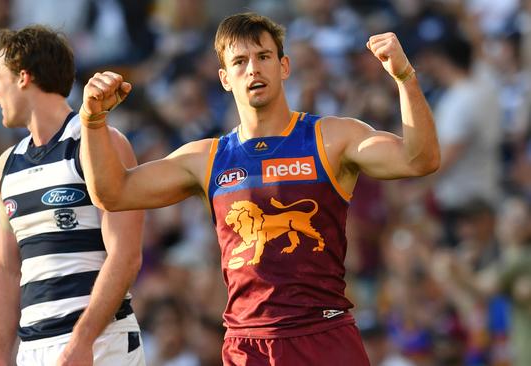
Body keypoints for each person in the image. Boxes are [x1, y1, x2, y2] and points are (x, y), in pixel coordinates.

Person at [79, 12, 439, 365]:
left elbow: (419, 160)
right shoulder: (208, 157)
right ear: (224, 78)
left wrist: (405, 77)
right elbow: (112, 193)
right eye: (240, 61)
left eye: (264, 56)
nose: (253, 68)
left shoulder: (331, 137)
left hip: (324, 336)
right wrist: (92, 121)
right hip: (247, 345)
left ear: (284, 67)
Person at [0, 25, 145, 365]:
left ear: (23, 76)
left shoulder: (101, 141)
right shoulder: (6, 166)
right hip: (32, 349)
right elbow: (6, 269)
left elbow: (126, 254)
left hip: (100, 341)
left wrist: (83, 339)